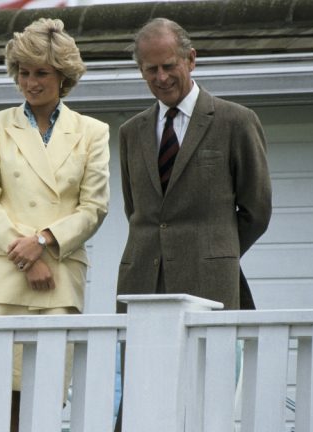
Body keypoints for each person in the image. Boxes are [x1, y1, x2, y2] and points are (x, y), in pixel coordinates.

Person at [113, 17, 272, 431]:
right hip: (141, 285)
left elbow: (256, 210)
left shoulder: (235, 121)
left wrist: (214, 250)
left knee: (205, 405)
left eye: (169, 66)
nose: (161, 77)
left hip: (210, 286)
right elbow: (138, 211)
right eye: (150, 69)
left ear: (191, 59)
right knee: (142, 404)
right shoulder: (130, 132)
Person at [0, 17, 110, 432]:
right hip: (4, 275)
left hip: (60, 274)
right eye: (24, 72)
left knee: (46, 395)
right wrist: (27, 256)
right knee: (0, 399)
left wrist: (44, 241)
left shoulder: (92, 132)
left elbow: (94, 207)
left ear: (63, 76)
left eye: (42, 73)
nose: (31, 83)